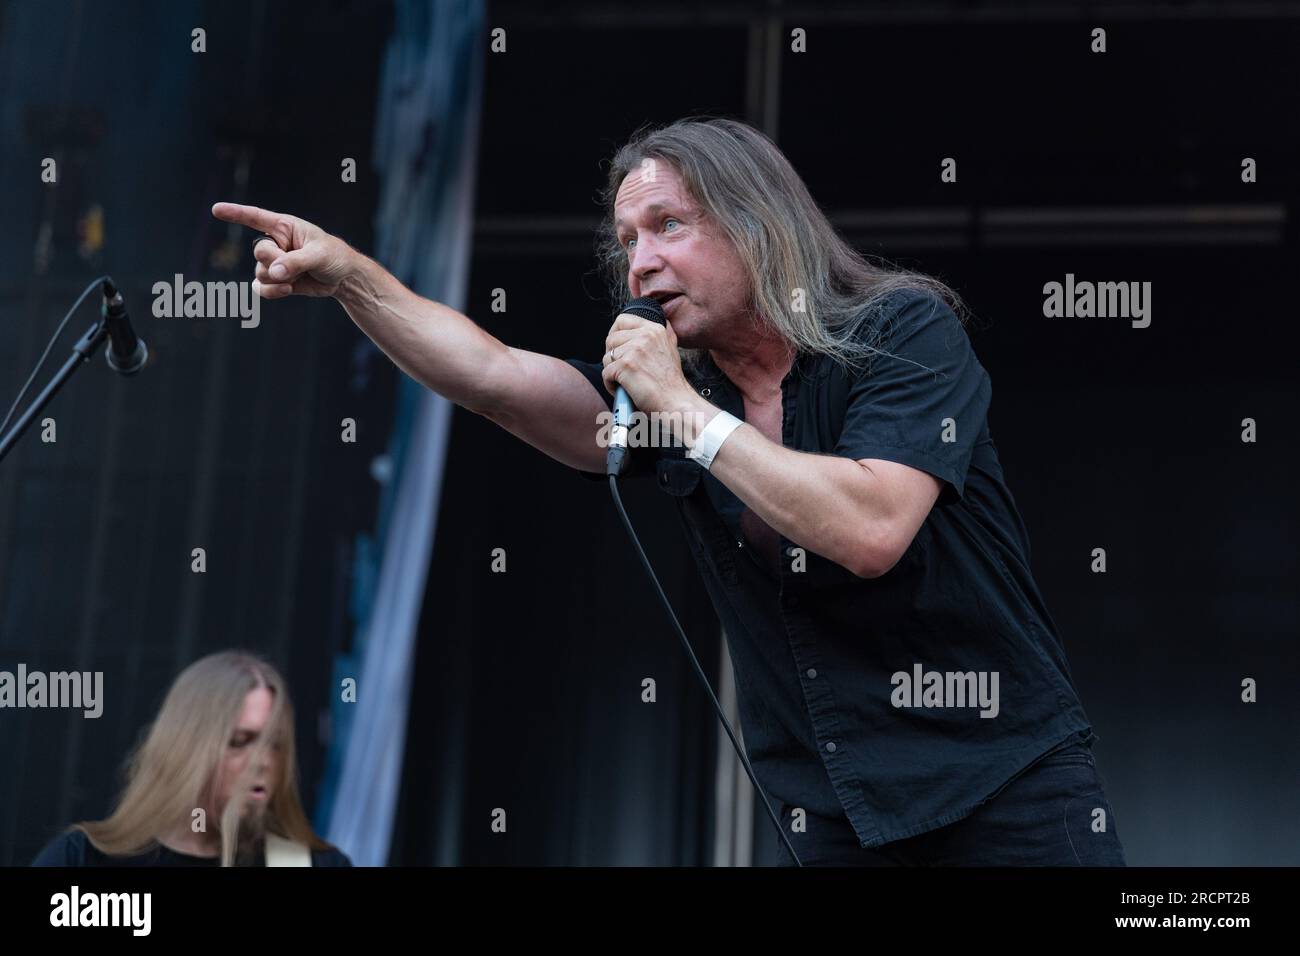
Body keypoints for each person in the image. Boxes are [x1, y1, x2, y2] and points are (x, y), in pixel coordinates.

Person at [210, 116, 1125, 866]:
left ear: (757, 225)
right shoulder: (680, 398)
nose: (639, 263)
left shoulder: (901, 332)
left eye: (668, 227)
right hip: (837, 811)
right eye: (627, 242)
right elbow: (490, 378)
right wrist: (352, 279)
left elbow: (873, 525)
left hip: (1004, 789)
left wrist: (683, 411)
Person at [32, 651, 350, 867]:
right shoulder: (82, 859)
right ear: (188, 748)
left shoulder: (311, 863)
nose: (263, 761)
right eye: (240, 742)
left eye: (275, 744)